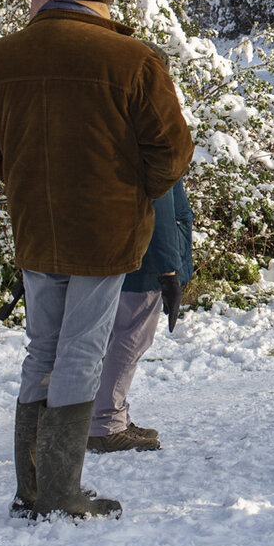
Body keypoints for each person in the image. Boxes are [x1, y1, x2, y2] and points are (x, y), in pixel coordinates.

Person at [0, 0, 194, 520]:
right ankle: (61, 492)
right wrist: (129, 190)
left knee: (41, 347)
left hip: (36, 228)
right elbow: (171, 153)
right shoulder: (133, 59)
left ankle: (32, 488)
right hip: (106, 230)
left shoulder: (1, 56)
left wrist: (29, 180)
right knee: (81, 352)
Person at [88, 175, 193, 453]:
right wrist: (169, 269)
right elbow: (161, 210)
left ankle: (111, 415)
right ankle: (106, 423)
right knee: (131, 339)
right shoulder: (154, 140)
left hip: (128, 253)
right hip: (145, 261)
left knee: (115, 337)